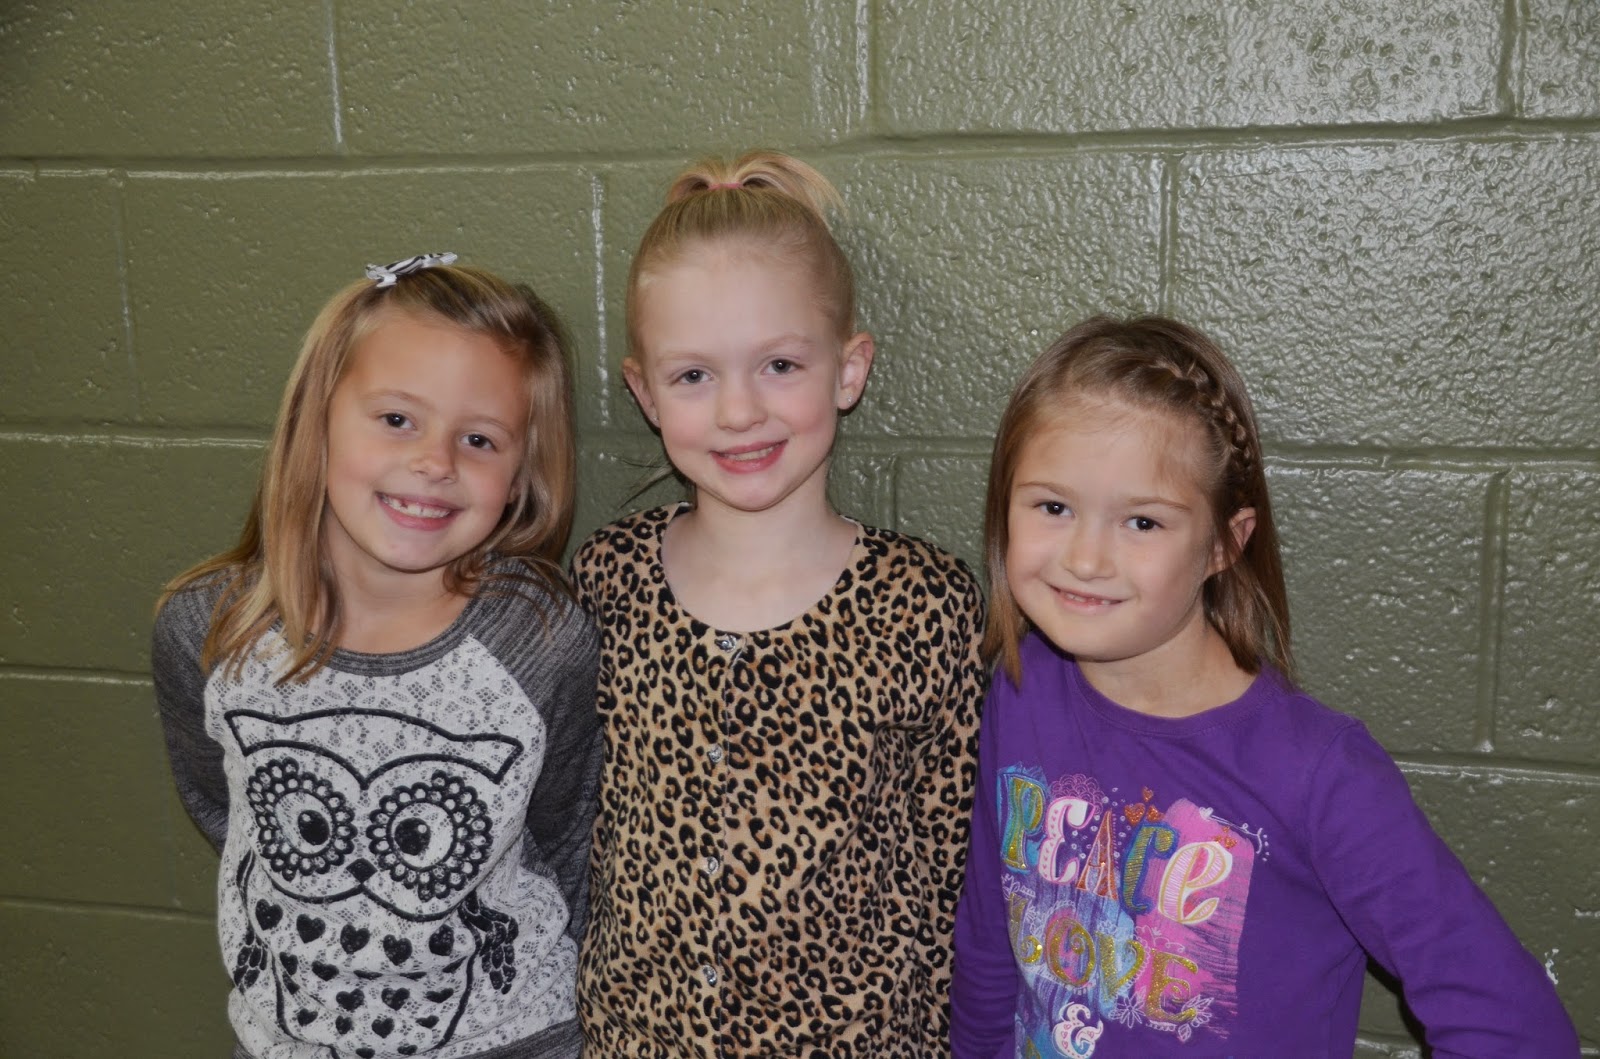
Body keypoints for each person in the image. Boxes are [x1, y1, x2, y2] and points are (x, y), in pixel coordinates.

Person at [950, 315, 1579, 1057]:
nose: (1085, 559)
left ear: (1225, 542)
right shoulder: (1022, 688)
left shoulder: (1320, 774)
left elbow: (1517, 1028)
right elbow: (990, 943)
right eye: (1054, 507)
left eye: (1143, 522)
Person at [570, 151, 987, 1057]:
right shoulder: (609, 579)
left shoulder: (923, 604)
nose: (739, 411)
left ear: (849, 369)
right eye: (693, 376)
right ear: (644, 392)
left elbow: (951, 866)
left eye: (780, 364)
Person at [153, 253, 602, 1059]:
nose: (436, 462)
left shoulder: (537, 640)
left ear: (520, 477)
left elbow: (570, 837)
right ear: (316, 421)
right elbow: (225, 810)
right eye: (397, 418)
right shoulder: (210, 630)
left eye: (479, 438)